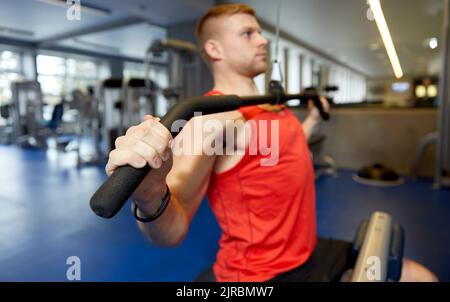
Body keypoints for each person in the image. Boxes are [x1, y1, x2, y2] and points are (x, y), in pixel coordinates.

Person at [105, 3, 438, 282]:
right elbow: (170, 232)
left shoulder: (270, 104)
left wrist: (310, 121)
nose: (262, 41)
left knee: (421, 277)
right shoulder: (213, 121)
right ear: (214, 49)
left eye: (261, 32)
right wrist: (150, 192)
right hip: (260, 275)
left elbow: (279, 157)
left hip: (307, 249)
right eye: (248, 34)